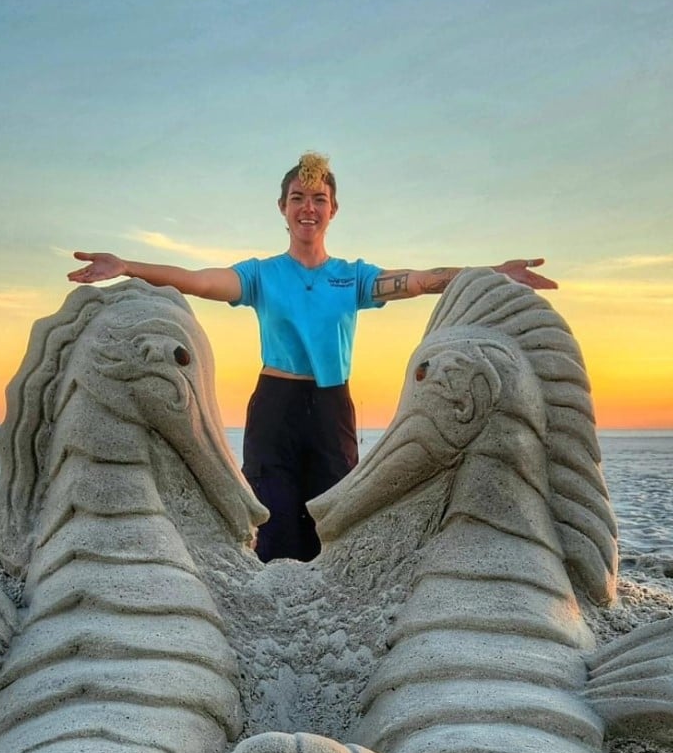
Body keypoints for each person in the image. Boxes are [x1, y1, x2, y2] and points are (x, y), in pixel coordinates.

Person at [68, 152, 557, 562]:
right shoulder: (260, 275)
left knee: (335, 521)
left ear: (333, 209)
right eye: (298, 198)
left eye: (318, 199)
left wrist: (494, 271)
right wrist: (127, 265)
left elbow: (423, 279)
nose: (308, 207)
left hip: (331, 409)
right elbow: (197, 280)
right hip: (275, 408)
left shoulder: (354, 277)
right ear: (282, 208)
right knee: (274, 525)